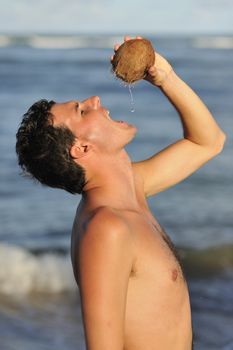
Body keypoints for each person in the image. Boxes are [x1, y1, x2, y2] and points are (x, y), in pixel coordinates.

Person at [16, 36, 226, 350]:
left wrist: (164, 77)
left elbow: (208, 142)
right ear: (82, 148)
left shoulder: (131, 189)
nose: (95, 100)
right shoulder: (106, 228)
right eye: (83, 112)